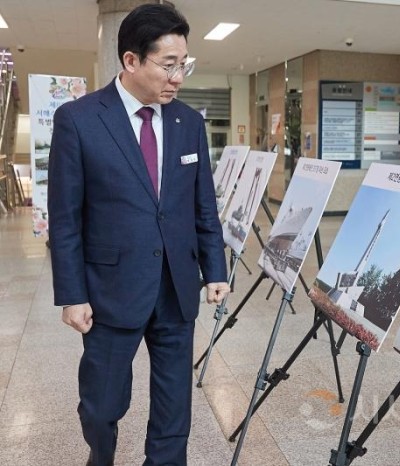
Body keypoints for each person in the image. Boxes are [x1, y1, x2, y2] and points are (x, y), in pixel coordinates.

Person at [47, 4, 229, 465]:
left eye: (183, 65)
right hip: (110, 289)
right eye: (168, 66)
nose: (177, 78)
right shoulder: (80, 119)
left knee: (174, 407)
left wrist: (215, 269)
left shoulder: (189, 122)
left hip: (175, 285)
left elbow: (201, 203)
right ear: (131, 61)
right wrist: (71, 293)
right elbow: (66, 217)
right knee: (102, 404)